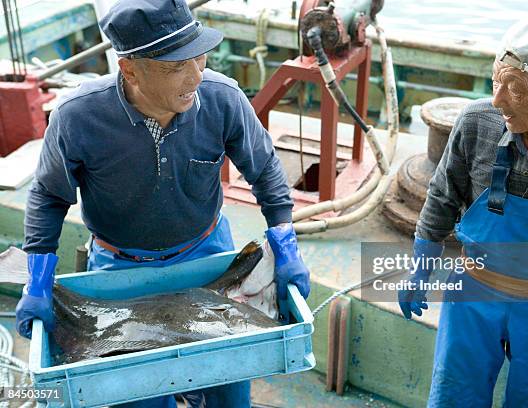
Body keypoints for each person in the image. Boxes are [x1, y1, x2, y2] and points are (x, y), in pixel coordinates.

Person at [15, 0, 310, 407]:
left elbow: (267, 174)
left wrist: (286, 246)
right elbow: (48, 198)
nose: (196, 76)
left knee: (229, 386)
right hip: (121, 268)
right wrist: (38, 280)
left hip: (206, 252)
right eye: (176, 66)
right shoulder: (76, 116)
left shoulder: (222, 98)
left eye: (199, 56)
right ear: (130, 69)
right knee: (138, 394)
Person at [398, 18, 528, 407]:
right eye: (496, 81)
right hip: (472, 295)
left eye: (514, 88)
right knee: (453, 398)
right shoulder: (476, 122)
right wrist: (420, 267)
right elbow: (442, 197)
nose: (497, 100)